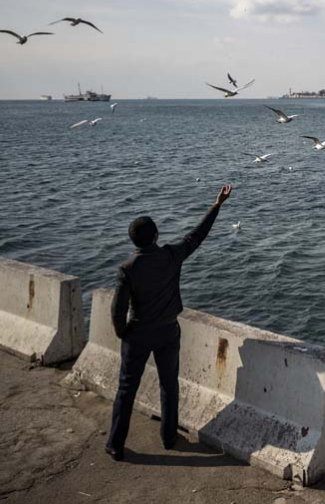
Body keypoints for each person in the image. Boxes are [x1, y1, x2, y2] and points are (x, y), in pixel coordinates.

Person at [105, 184, 232, 460]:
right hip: (167, 331)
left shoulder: (126, 269)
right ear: (156, 236)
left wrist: (123, 333)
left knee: (126, 389)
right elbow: (197, 236)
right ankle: (169, 437)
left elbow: (118, 309)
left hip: (137, 333)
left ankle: (115, 444)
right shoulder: (171, 256)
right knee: (169, 385)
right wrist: (216, 205)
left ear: (133, 241)